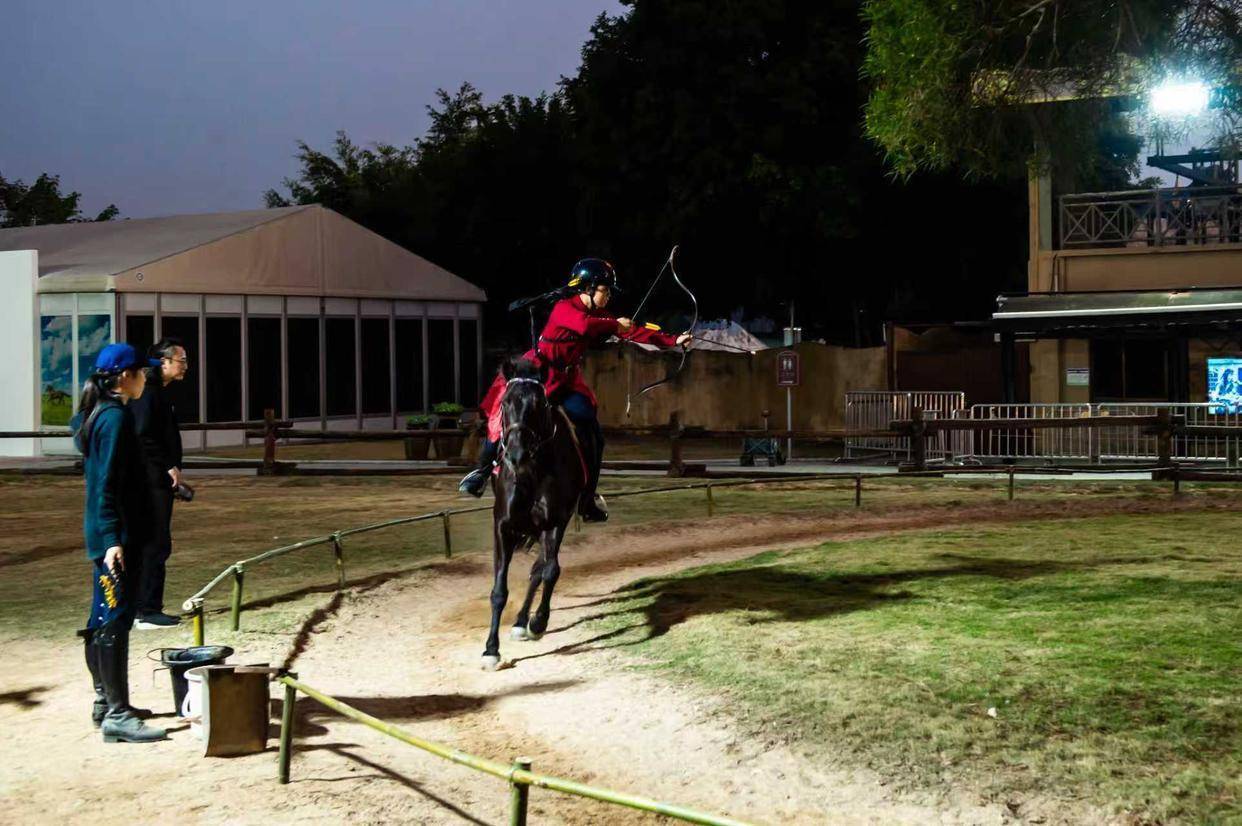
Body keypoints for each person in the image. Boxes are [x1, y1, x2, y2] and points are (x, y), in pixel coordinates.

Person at [459, 258, 690, 520]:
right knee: (503, 416)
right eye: (604, 289)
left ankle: (587, 500)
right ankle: (480, 473)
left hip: (566, 380)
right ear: (587, 288)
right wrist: (615, 324)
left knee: (594, 435)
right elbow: (584, 325)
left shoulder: (600, 315)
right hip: (536, 374)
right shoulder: (564, 308)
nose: (608, 295)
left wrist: (674, 340)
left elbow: (632, 331)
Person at [72, 342, 166, 743]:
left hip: (110, 534)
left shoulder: (99, 414)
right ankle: (117, 713)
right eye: (142, 372)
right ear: (125, 377)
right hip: (117, 538)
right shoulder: (114, 419)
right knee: (115, 618)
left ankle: (104, 701)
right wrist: (113, 538)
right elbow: (106, 483)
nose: (146, 377)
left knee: (102, 615)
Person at [130, 337, 189, 629]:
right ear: (163, 362)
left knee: (156, 542)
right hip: (150, 481)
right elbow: (143, 435)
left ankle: (147, 606)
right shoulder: (149, 393)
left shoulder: (157, 392)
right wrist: (167, 466)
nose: (185, 366)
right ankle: (146, 609)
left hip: (157, 479)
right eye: (181, 360)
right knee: (155, 543)